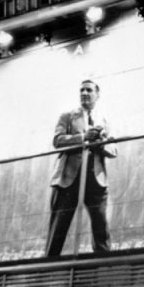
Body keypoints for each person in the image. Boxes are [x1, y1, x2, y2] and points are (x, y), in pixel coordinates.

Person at [46, 79, 118, 256]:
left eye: (89, 90)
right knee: (58, 227)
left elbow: (114, 150)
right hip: (68, 179)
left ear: (97, 94)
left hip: (96, 179)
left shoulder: (104, 120)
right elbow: (57, 141)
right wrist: (84, 137)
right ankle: (47, 267)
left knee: (101, 227)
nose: (84, 93)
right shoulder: (67, 116)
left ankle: (103, 265)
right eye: (81, 90)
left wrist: (100, 144)